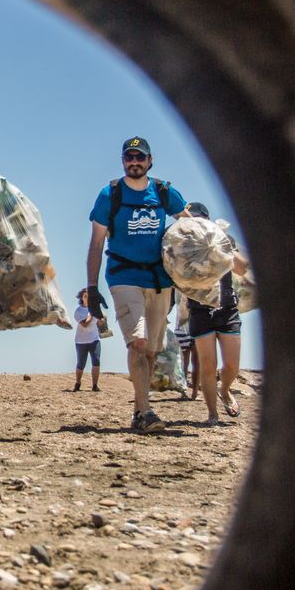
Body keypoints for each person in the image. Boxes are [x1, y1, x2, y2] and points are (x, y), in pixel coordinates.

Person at [86, 135, 188, 434]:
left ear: (149, 161)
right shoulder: (110, 194)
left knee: (152, 351)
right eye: (129, 158)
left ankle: (138, 409)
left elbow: (188, 223)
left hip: (159, 280)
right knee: (138, 342)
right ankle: (146, 413)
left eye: (139, 158)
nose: (134, 162)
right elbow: (95, 244)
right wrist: (92, 288)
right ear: (123, 161)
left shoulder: (163, 192)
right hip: (123, 275)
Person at [183, 201, 249, 424]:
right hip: (199, 309)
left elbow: (242, 268)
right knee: (207, 365)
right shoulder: (181, 245)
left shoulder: (222, 238)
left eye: (197, 219)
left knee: (231, 365)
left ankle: (226, 390)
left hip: (227, 307)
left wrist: (221, 243)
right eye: (188, 219)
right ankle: (212, 414)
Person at [71, 288, 102, 392]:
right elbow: (85, 324)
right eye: (85, 296)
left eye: (89, 296)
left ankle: (95, 385)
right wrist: (91, 314)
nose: (87, 298)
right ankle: (78, 382)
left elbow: (101, 322)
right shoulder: (78, 311)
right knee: (81, 364)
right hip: (81, 341)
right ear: (82, 298)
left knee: (96, 361)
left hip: (94, 339)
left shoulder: (96, 308)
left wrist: (102, 320)